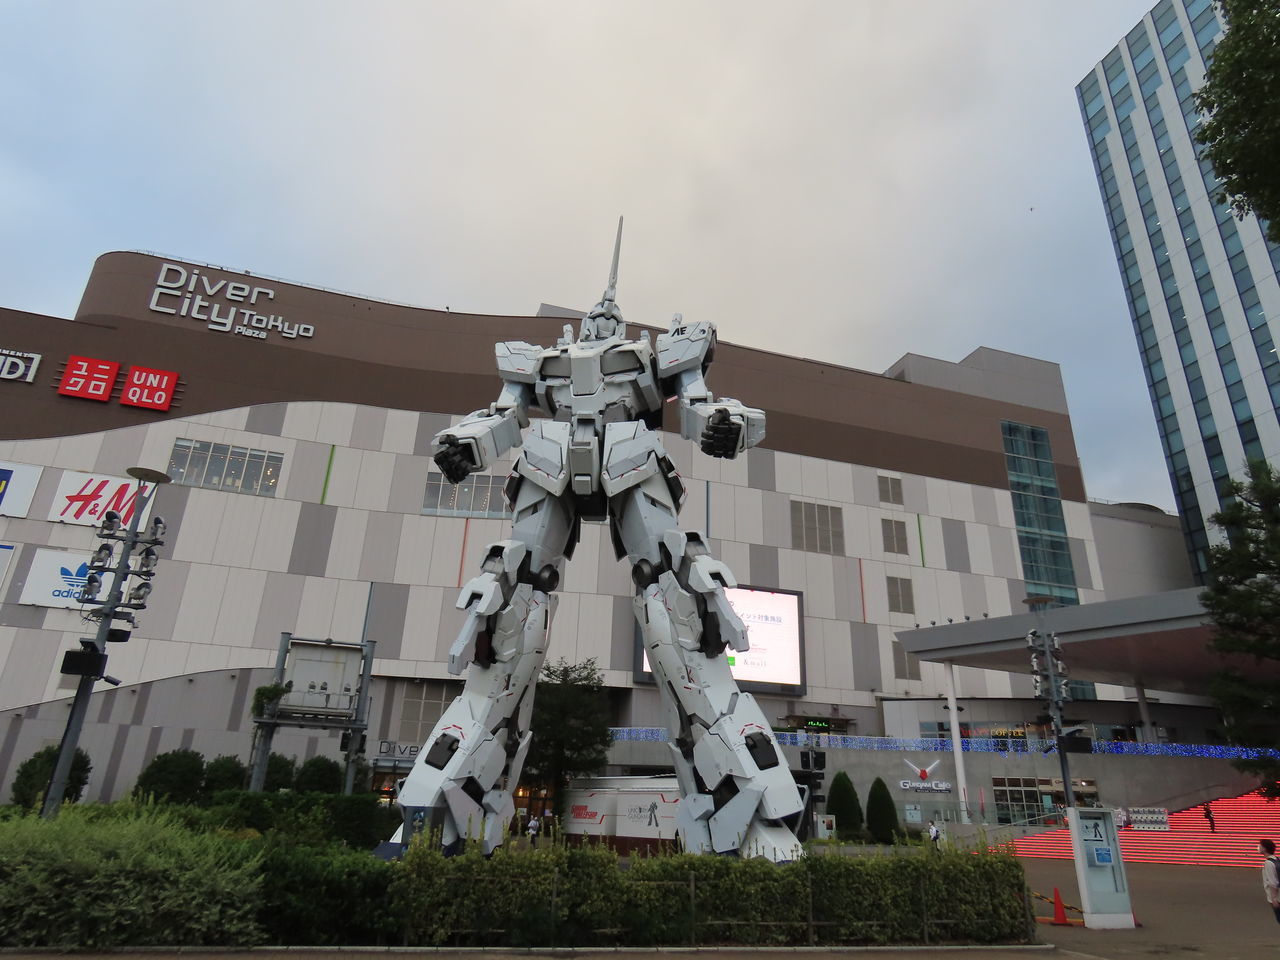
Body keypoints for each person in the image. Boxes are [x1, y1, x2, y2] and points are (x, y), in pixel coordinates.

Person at [1260, 839, 1280, 923]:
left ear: (1264, 848)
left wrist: (1274, 898)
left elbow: (1272, 882)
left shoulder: (1268, 863)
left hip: (1277, 897)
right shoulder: (1277, 859)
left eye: (1260, 846)